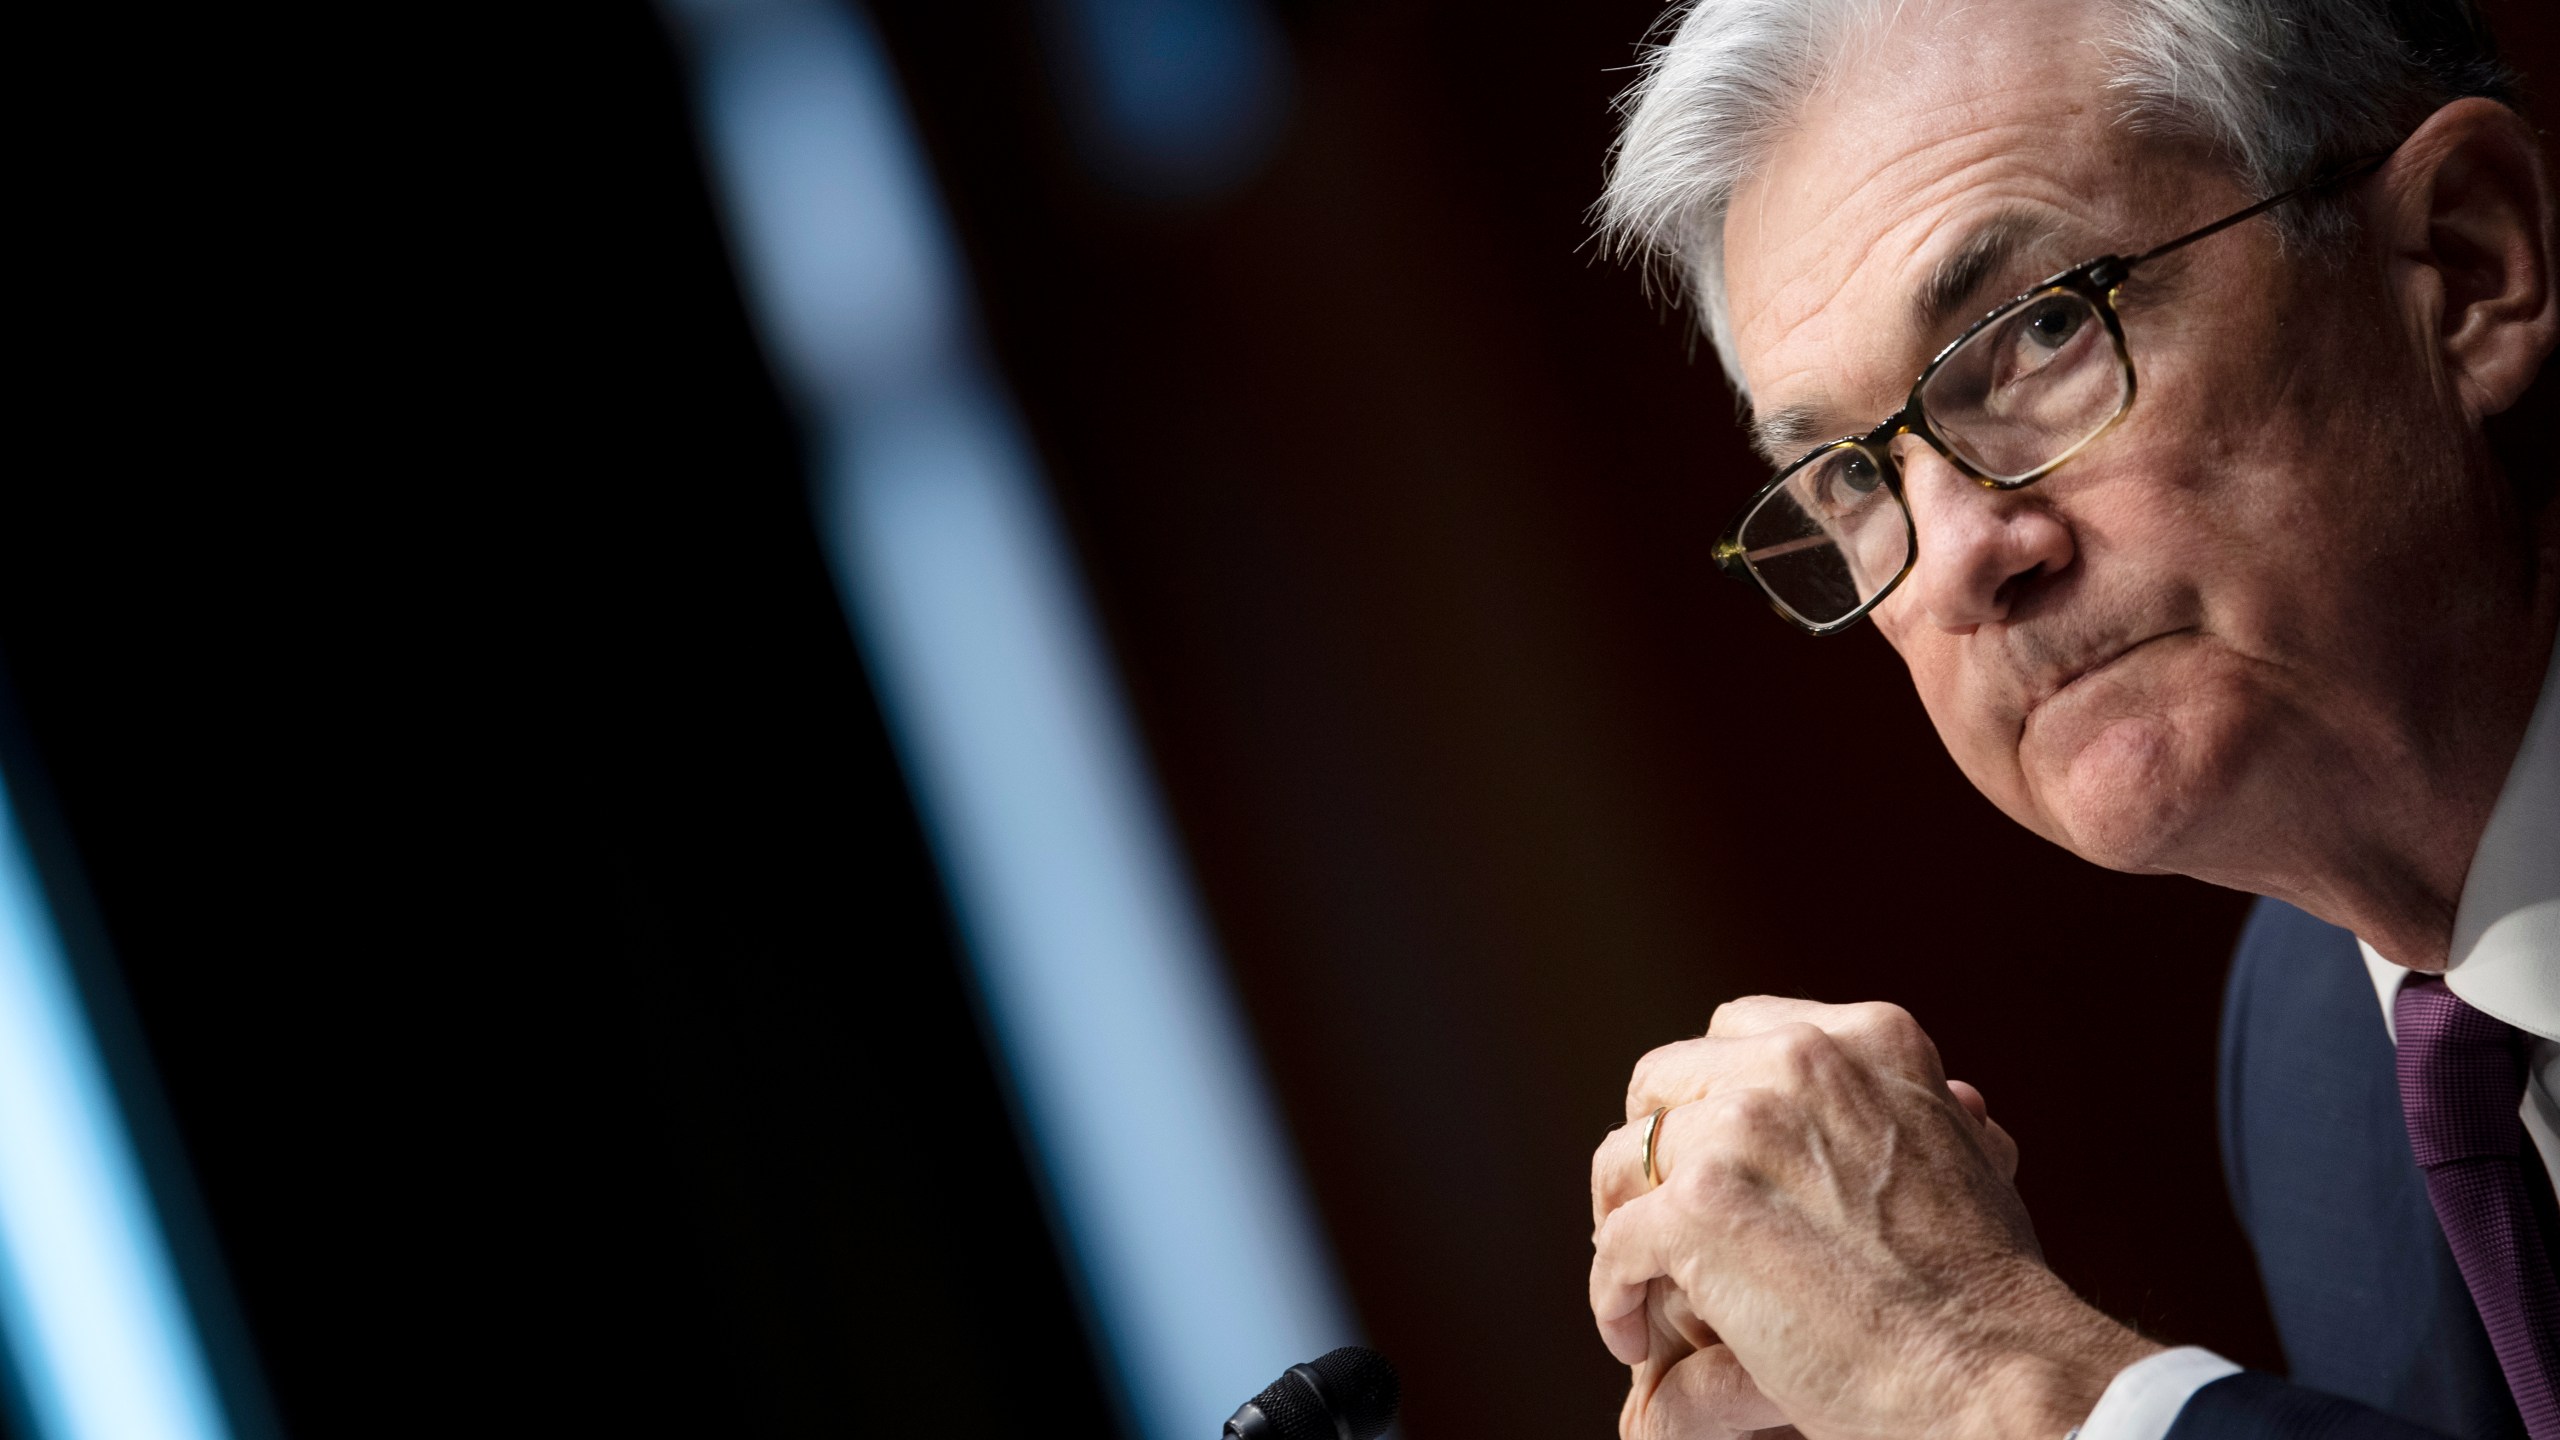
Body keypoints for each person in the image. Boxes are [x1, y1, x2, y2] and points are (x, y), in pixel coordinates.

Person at [1584, 1, 2559, 1437]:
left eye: (2042, 333)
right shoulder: (2308, 1053)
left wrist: (1994, 1381)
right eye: (1856, 478)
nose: (1968, 553)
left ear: (2462, 265)